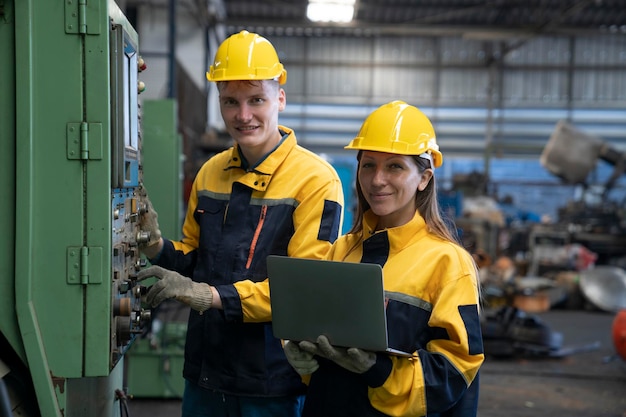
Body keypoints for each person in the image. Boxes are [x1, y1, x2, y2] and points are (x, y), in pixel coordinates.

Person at [135, 30, 344, 417]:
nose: (243, 115)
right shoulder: (210, 172)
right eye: (231, 102)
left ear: (280, 97)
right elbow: (194, 261)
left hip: (272, 385)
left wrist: (209, 297)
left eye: (256, 100)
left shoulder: (316, 181)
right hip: (205, 376)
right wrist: (155, 247)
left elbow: (301, 291)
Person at [282, 100, 484, 417]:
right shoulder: (342, 250)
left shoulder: (447, 263)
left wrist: (380, 371)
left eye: (394, 166)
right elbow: (320, 341)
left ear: (424, 178)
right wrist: (302, 357)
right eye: (368, 165)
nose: (377, 180)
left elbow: (455, 371)